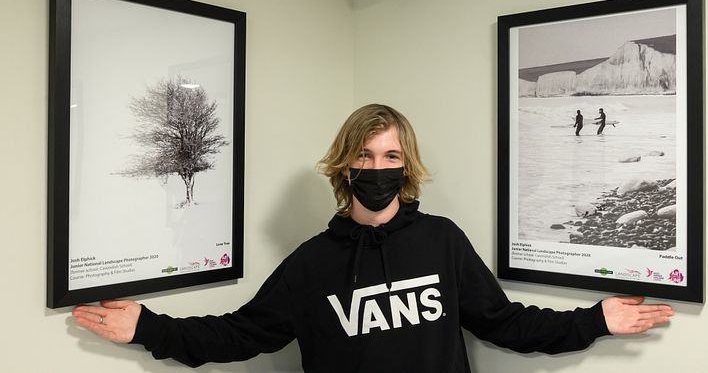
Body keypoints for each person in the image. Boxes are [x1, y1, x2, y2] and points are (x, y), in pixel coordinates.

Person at [72, 104, 673, 372]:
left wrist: (595, 320)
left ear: (406, 168)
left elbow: (505, 323)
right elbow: (239, 334)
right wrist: (147, 327)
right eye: (365, 154)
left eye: (391, 156)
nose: (378, 167)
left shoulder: (441, 241)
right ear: (344, 167)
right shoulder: (311, 264)